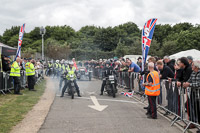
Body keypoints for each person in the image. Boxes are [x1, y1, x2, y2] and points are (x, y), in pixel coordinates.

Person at [183, 60, 200, 129]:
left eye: (192, 65)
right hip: (193, 93)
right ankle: (193, 122)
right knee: (188, 106)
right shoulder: (193, 72)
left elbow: (198, 84)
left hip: (198, 94)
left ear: (196, 66)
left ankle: (197, 123)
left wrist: (189, 84)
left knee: (198, 109)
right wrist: (185, 83)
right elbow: (189, 80)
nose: (191, 66)